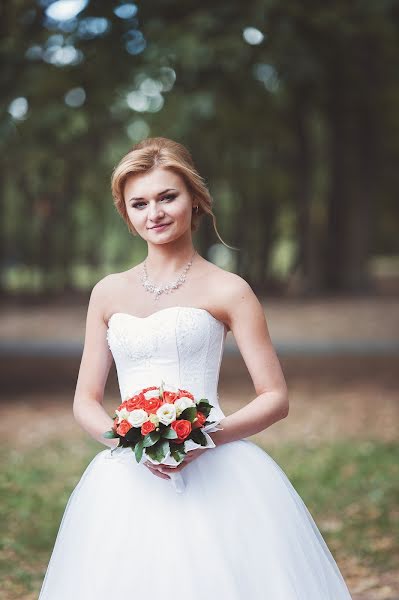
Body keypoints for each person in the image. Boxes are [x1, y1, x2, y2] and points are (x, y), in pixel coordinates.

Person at [38, 137, 353, 599]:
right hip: (127, 475)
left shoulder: (230, 290)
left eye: (168, 196)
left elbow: (275, 397)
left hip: (218, 467)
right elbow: (85, 399)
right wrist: (130, 443)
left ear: (195, 200)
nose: (155, 213)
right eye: (140, 203)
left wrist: (201, 439)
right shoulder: (107, 293)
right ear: (127, 214)